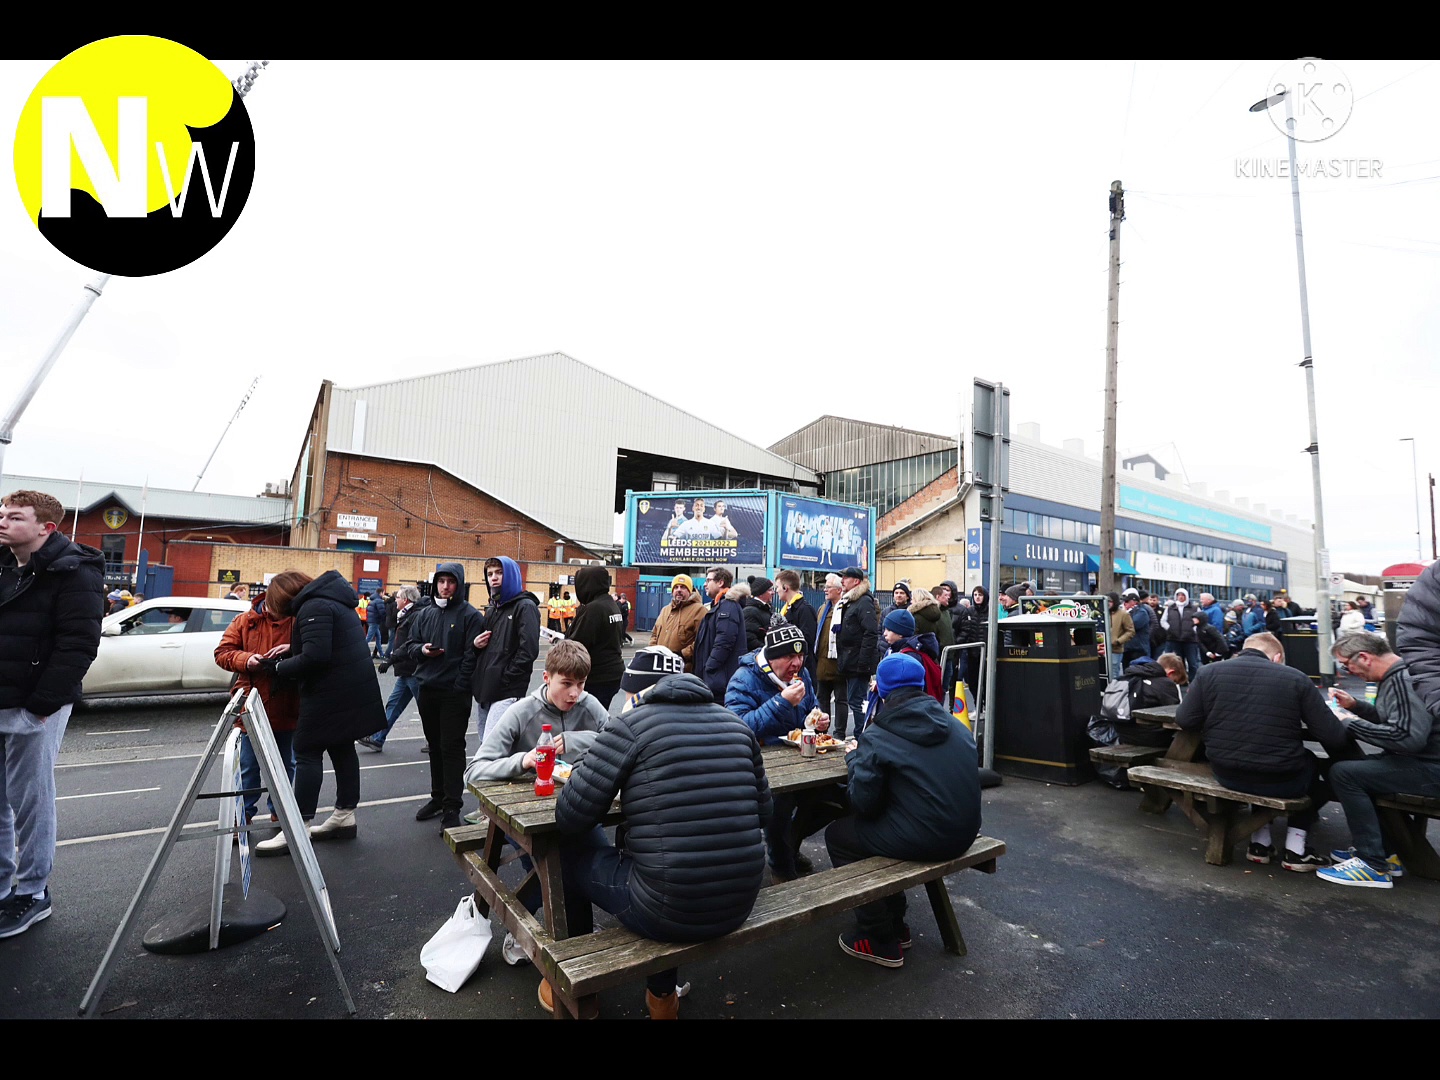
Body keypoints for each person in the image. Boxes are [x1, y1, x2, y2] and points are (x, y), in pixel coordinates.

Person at [549, 649, 772, 1019]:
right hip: (740, 899)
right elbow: (765, 812)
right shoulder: (735, 724)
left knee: (569, 860)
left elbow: (571, 816)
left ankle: (574, 983)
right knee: (661, 862)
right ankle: (662, 996)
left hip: (667, 907)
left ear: (637, 693)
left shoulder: (631, 725)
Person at [825, 653, 981, 968]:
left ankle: (879, 937)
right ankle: (896, 923)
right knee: (881, 826)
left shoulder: (878, 735)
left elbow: (863, 804)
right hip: (965, 831)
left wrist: (855, 758)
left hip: (930, 838)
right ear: (921, 685)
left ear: (880, 691)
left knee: (840, 835)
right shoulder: (953, 724)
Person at [0, 490, 104, 938]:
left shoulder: (74, 571)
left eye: (14, 516)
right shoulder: (4, 564)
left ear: (46, 527)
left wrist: (41, 706)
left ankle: (33, 892)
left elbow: (78, 644)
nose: (2, 521)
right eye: (1, 513)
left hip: (34, 705)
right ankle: (4, 888)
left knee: (30, 799)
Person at [462, 640, 611, 951]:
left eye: (581, 684)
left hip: (576, 807)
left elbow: (615, 741)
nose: (575, 694)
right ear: (547, 677)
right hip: (524, 815)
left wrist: (574, 739)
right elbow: (473, 771)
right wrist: (523, 761)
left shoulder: (590, 705)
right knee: (554, 867)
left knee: (601, 860)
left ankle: (577, 940)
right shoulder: (521, 712)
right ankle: (526, 934)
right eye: (567, 684)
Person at [1175, 632, 1354, 871]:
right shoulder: (1296, 679)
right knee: (1305, 762)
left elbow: (1185, 720)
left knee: (1260, 754)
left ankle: (1260, 843)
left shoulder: (1209, 672)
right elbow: (1333, 737)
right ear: (1277, 657)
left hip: (1225, 772)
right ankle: (1295, 849)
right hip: (1280, 779)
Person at [254, 570, 385, 856]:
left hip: (329, 691)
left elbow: (316, 656)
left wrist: (276, 667)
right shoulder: (332, 599)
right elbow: (327, 643)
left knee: (306, 750)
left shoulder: (313, 606)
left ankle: (298, 828)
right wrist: (294, 648)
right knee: (341, 747)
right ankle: (344, 815)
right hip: (349, 688)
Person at [1317, 632, 1440, 889]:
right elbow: (1396, 721)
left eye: (1346, 665)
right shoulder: (1397, 676)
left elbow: (1408, 737)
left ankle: (1372, 863)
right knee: (1348, 769)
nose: (1348, 672)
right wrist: (1355, 706)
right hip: (1424, 762)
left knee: (1344, 773)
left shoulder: (1403, 681)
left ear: (1364, 657)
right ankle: (1386, 852)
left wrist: (1350, 725)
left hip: (1430, 769)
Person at [725, 622, 840, 880]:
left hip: (800, 760)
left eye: (801, 656)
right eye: (790, 656)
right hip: (762, 766)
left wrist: (818, 718)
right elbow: (738, 727)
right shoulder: (744, 679)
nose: (797, 663)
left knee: (836, 796)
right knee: (779, 807)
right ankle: (781, 865)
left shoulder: (802, 675)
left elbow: (812, 705)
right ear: (772, 656)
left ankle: (789, 846)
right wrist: (781, 702)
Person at [397, 563, 485, 832]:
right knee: (434, 746)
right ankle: (437, 798)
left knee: (452, 748)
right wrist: (422, 650)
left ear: (459, 584)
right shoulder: (425, 614)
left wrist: (460, 685)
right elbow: (410, 646)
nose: (445, 586)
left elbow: (472, 656)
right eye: (441, 581)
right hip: (427, 689)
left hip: (454, 694)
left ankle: (452, 805)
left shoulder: (470, 615)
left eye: (451, 581)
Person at [214, 581, 299, 824]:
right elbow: (222, 653)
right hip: (252, 703)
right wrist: (247, 660)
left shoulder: (298, 621)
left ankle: (280, 812)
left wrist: (292, 651)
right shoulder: (244, 621)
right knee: (248, 766)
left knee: (284, 765)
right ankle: (243, 815)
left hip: (287, 703)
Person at [464, 556, 541, 740]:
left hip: (506, 691)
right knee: (485, 742)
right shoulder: (492, 609)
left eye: (499, 572)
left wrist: (507, 678)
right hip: (485, 690)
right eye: (490, 574)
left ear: (511, 575)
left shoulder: (525, 607)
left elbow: (528, 650)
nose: (494, 577)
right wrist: (475, 645)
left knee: (492, 745)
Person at [360, 586, 425, 751]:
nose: (395, 600)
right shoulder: (405, 615)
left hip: (413, 669)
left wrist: (390, 660)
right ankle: (377, 738)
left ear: (406, 599)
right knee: (393, 705)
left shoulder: (415, 616)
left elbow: (409, 644)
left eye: (398, 597)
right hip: (406, 670)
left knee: (426, 709)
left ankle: (436, 741)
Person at [565, 565, 625, 709]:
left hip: (597, 676)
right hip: (613, 673)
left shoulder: (594, 608)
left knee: (588, 721)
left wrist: (560, 642)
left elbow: (577, 644)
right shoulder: (611, 604)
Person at [835, 566, 881, 733]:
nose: (842, 580)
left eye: (845, 577)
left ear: (856, 581)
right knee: (855, 700)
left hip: (857, 662)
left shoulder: (863, 601)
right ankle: (862, 733)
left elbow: (870, 632)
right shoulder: (851, 601)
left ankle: (862, 734)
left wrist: (863, 663)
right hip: (850, 660)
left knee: (858, 701)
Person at [694, 566, 745, 701]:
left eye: (708, 580)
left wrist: (709, 667)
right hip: (717, 679)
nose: (705, 584)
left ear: (720, 582)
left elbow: (724, 641)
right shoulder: (718, 606)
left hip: (720, 681)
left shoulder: (727, 606)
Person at [876, 608, 942, 703]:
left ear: (900, 633)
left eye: (889, 630)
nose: (884, 634)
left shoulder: (908, 657)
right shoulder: (894, 649)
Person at [814, 573, 849, 738]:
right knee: (822, 698)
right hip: (822, 661)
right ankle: (822, 732)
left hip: (839, 662)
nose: (825, 590)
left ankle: (840, 734)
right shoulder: (822, 609)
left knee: (841, 699)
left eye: (828, 587)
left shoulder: (845, 609)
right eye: (825, 587)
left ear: (839, 589)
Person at [650, 574, 704, 671]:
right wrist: (653, 651)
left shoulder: (699, 610)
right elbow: (654, 634)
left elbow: (702, 640)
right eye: (676, 587)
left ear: (690, 590)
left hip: (684, 670)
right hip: (660, 667)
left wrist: (683, 654)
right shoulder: (665, 610)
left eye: (683, 587)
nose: (679, 590)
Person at [775, 570, 818, 680]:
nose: (776, 590)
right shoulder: (787, 609)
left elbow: (807, 640)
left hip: (800, 669)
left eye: (778, 586)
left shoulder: (804, 609)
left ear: (785, 587)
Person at [1161, 588, 1202, 680]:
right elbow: (1163, 621)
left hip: (1190, 640)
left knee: (1193, 663)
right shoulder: (1170, 608)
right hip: (1174, 639)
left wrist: (1193, 630)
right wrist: (1170, 629)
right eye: (1178, 595)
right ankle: (1181, 680)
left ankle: (1194, 681)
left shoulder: (1194, 608)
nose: (1180, 597)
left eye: (1183, 595)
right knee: (1178, 662)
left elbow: (1200, 621)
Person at [908, 586, 953, 651]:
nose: (911, 602)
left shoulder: (916, 616)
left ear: (917, 599)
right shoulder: (936, 613)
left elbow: (912, 636)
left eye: (912, 599)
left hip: (920, 651)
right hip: (934, 650)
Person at [741, 576, 774, 653]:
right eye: (769, 590)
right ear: (760, 594)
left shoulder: (766, 608)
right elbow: (749, 639)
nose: (773, 592)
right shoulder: (750, 611)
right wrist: (768, 651)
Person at [1121, 589, 1150, 669]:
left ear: (1134, 602)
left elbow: (1132, 625)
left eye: (1127, 602)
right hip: (1127, 648)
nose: (1124, 604)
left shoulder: (1142, 612)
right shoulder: (1126, 613)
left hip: (1138, 649)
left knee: (1138, 671)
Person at [1107, 592, 1134, 680]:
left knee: (1114, 674)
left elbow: (1130, 631)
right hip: (1101, 650)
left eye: (1110, 601)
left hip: (1115, 650)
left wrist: (1118, 641)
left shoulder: (1123, 614)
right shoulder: (1102, 613)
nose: (1108, 603)